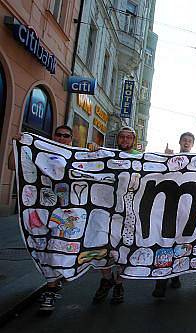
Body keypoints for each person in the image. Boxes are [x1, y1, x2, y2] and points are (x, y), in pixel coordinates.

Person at [8, 125, 77, 313]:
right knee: (40, 248)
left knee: (56, 248)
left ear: (71, 139)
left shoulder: (75, 156)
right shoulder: (37, 151)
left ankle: (51, 288)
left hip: (64, 213)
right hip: (38, 209)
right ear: (53, 136)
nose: (62, 138)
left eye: (66, 136)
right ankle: (52, 285)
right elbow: (12, 165)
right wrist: (17, 144)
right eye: (59, 134)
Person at [93, 126, 140, 305]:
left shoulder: (139, 157)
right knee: (100, 244)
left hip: (128, 210)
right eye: (122, 137)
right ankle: (106, 279)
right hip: (104, 208)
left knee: (124, 247)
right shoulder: (107, 155)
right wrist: (93, 151)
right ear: (117, 139)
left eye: (129, 138)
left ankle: (119, 284)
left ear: (133, 141)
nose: (125, 141)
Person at [152, 132, 195, 297]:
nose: (186, 142)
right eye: (184, 140)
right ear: (180, 142)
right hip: (168, 210)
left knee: (181, 243)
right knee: (165, 243)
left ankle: (176, 274)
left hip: (185, 210)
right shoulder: (170, 158)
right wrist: (165, 158)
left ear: (192, 144)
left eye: (189, 141)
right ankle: (160, 283)